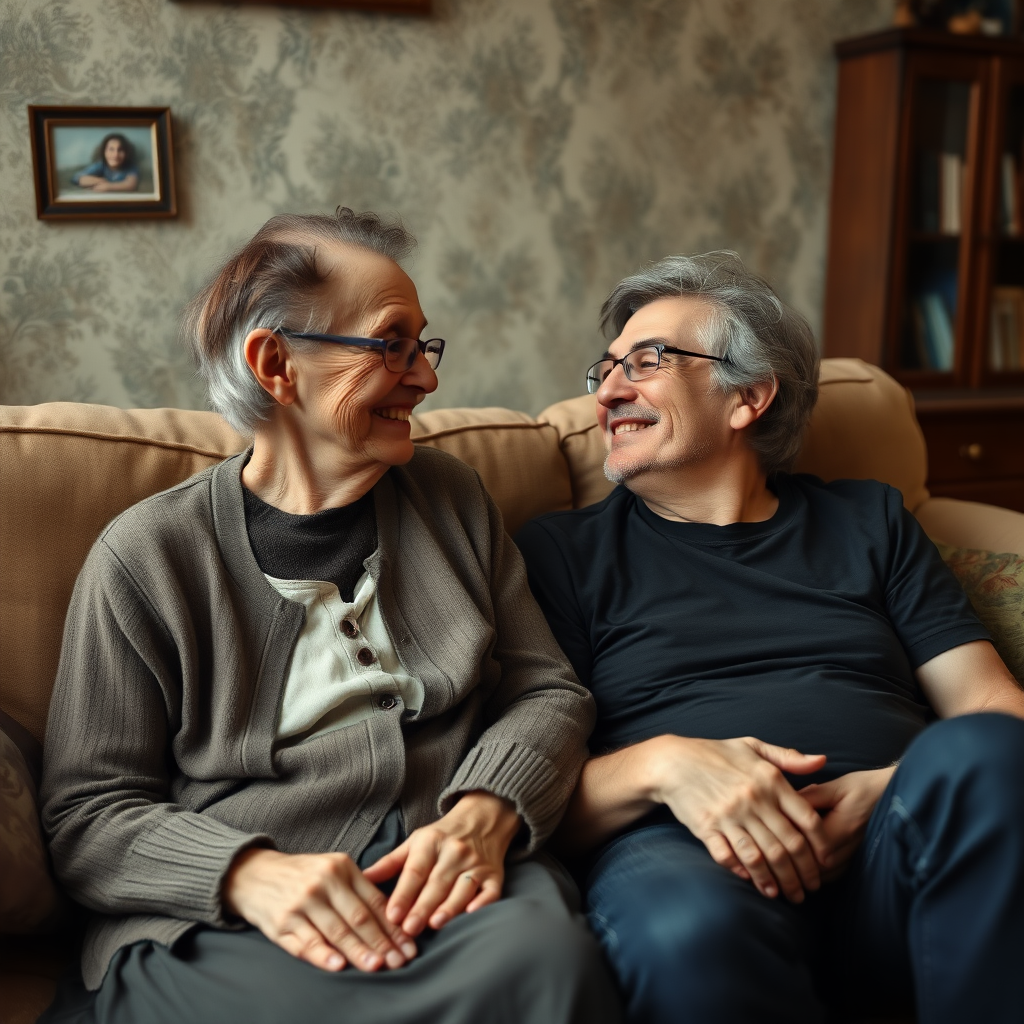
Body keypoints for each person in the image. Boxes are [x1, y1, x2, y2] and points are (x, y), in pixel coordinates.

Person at [39, 208, 621, 1024]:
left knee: (552, 963)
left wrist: (487, 810)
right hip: (233, 912)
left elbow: (547, 690)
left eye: (426, 345)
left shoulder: (450, 498)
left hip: (438, 880)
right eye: (393, 345)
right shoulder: (149, 555)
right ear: (277, 364)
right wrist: (249, 873)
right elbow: (87, 813)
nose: (426, 378)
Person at [516, 251, 1024, 1024]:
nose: (609, 390)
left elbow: (998, 715)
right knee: (686, 929)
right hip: (686, 850)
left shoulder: (870, 522)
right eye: (607, 369)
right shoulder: (560, 554)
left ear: (748, 397)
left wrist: (883, 790)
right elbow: (533, 796)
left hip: (894, 843)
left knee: (987, 756)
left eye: (646, 363)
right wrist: (665, 766)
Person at [70, 133, 139, 192]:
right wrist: (101, 181)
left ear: (126, 153)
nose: (115, 155)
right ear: (104, 152)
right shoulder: (101, 165)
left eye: (120, 150)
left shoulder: (130, 167)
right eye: (111, 149)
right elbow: (77, 178)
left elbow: (131, 185)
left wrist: (108, 186)